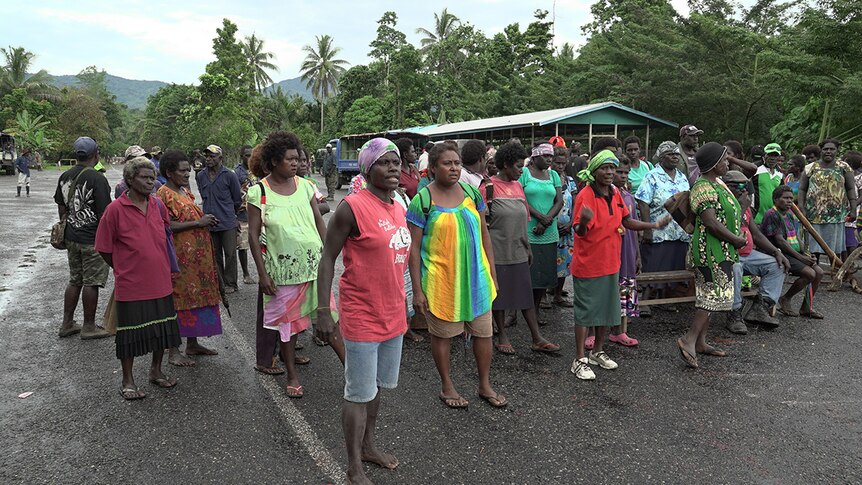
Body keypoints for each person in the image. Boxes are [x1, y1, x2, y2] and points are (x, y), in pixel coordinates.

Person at [316, 138, 409, 484]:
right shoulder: (351, 207)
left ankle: (369, 446)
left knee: (376, 387)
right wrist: (324, 310)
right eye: (384, 163)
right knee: (358, 391)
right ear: (368, 169)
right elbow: (328, 258)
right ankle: (353, 465)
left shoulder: (399, 204)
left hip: (393, 312)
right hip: (361, 313)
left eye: (396, 162)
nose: (393, 168)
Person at [407, 141, 505, 409]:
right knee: (443, 336)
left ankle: (484, 384)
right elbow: (413, 249)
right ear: (433, 168)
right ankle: (447, 386)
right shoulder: (422, 200)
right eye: (446, 163)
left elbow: (485, 237)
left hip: (476, 279)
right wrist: (417, 291)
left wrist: (493, 275)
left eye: (457, 163)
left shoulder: (473, 194)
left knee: (484, 334)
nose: (453, 168)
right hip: (441, 283)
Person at [247, 131, 343, 397]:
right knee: (287, 327)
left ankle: (350, 372)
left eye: (296, 158)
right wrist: (262, 274)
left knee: (330, 319)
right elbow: (253, 236)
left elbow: (317, 220)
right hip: (282, 273)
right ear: (275, 161)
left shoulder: (305, 186)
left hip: (315, 268)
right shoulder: (258, 192)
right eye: (289, 158)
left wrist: (330, 255)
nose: (295, 162)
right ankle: (292, 375)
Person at [569, 150, 669, 380]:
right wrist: (583, 221)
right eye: (605, 168)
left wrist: (652, 225)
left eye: (612, 168)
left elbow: (626, 220)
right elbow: (579, 231)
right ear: (594, 171)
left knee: (607, 309)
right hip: (589, 264)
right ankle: (579, 359)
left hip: (611, 262)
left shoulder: (615, 192)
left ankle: (597, 352)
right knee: (585, 312)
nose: (610, 172)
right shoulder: (585, 195)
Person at [95, 156, 181, 400]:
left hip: (161, 281)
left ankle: (156, 371)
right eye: (145, 177)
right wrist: (123, 268)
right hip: (132, 285)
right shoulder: (114, 210)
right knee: (130, 336)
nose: (150, 182)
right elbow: (103, 247)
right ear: (130, 180)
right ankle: (128, 380)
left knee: (161, 331)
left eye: (152, 178)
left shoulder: (157, 205)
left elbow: (165, 235)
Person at [483, 141, 560, 355]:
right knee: (499, 296)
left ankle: (536, 338)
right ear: (506, 165)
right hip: (497, 251)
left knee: (525, 294)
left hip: (518, 248)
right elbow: (481, 225)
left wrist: (527, 247)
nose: (521, 170)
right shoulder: (488, 187)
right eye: (518, 166)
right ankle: (502, 336)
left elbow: (523, 219)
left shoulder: (518, 186)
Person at [677, 143, 745, 369]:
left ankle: (701, 342)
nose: (728, 163)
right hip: (710, 251)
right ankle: (688, 339)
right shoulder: (703, 187)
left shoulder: (719, 183)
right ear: (715, 164)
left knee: (711, 297)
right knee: (712, 297)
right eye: (725, 160)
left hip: (722, 250)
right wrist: (735, 239)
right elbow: (710, 223)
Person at [156, 150, 223, 366]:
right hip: (180, 259)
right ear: (169, 172)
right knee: (179, 300)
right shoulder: (163, 195)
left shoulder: (184, 191)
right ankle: (173, 351)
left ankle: (192, 344)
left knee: (193, 300)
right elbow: (166, 226)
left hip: (197, 259)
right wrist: (198, 223)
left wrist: (204, 220)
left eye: (188, 170)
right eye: (183, 171)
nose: (188, 174)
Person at [53, 137, 112, 340]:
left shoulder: (64, 176)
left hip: (71, 237)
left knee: (75, 279)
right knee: (91, 282)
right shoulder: (98, 178)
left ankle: (67, 323)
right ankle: (88, 326)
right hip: (92, 238)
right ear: (95, 155)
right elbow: (105, 213)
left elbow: (61, 208)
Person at [723, 170, 789, 334]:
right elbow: (727, 229)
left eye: (745, 185)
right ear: (726, 186)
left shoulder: (745, 206)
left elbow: (757, 234)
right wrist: (741, 208)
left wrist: (776, 251)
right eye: (738, 186)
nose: (743, 189)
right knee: (736, 268)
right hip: (726, 254)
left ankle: (760, 308)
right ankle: (734, 313)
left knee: (776, 265)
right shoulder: (721, 204)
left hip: (747, 254)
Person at [634, 141, 691, 309]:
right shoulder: (651, 176)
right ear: (661, 157)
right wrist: (647, 229)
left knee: (673, 265)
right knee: (653, 265)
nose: (674, 157)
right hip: (659, 230)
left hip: (678, 231)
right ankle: (644, 301)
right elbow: (643, 201)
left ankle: (666, 299)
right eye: (670, 154)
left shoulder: (681, 176)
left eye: (676, 154)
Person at [761, 185, 824, 319]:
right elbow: (780, 242)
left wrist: (806, 253)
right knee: (809, 273)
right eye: (785, 198)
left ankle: (806, 307)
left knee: (819, 272)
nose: (789, 201)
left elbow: (795, 237)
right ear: (775, 200)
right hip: (778, 253)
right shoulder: (772, 214)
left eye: (791, 198)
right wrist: (801, 258)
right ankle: (786, 298)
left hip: (792, 253)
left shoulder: (789, 215)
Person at [519, 143, 563, 317]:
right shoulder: (524, 173)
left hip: (548, 232)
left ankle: (534, 312)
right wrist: (540, 217)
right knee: (526, 275)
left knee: (542, 277)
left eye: (550, 156)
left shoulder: (553, 175)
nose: (549, 159)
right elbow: (520, 199)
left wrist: (545, 222)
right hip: (529, 230)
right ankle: (515, 313)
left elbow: (559, 201)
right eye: (545, 156)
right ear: (535, 157)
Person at [798, 139, 858, 262]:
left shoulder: (844, 167)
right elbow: (802, 189)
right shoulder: (810, 168)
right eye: (826, 149)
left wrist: (853, 208)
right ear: (821, 151)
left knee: (835, 250)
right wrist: (802, 208)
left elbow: (851, 188)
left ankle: (835, 275)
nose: (828, 151)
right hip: (813, 215)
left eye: (832, 149)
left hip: (836, 216)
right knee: (814, 249)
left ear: (837, 151)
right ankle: (815, 274)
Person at [197, 144, 243, 293]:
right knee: (214, 255)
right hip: (210, 222)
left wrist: (231, 215)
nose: (209, 159)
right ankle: (220, 283)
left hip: (227, 221)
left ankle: (231, 283)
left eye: (212, 156)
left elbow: (237, 199)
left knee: (230, 254)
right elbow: (203, 196)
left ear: (220, 158)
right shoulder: (201, 175)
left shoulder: (229, 175)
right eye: (207, 156)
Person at [610, 158, 641, 346]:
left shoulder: (629, 197)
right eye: (618, 172)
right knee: (608, 288)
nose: (622, 176)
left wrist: (637, 255)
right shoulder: (608, 195)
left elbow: (634, 228)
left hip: (628, 251)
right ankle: (597, 331)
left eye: (625, 173)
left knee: (625, 287)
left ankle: (621, 331)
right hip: (611, 250)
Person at [552, 146, 577, 307]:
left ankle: (557, 294)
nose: (560, 166)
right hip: (550, 227)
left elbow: (575, 203)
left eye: (563, 163)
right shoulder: (548, 180)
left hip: (567, 229)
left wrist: (571, 223)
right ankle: (544, 296)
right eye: (557, 162)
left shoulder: (570, 181)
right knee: (548, 261)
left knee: (564, 262)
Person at [234, 144, 257, 285]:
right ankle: (246, 274)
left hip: (257, 213)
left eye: (251, 155)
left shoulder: (257, 169)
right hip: (242, 213)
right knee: (242, 246)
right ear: (241, 156)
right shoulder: (236, 173)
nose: (249, 158)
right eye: (247, 155)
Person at [751, 143, 785, 224]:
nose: (772, 158)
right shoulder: (755, 169)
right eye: (769, 155)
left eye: (775, 156)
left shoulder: (780, 174)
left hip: (773, 218)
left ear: (778, 157)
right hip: (756, 217)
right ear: (764, 156)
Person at [297, 147, 331, 215]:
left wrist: (301, 210)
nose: (303, 164)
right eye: (299, 161)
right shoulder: (284, 186)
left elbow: (326, 207)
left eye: (304, 160)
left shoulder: (310, 183)